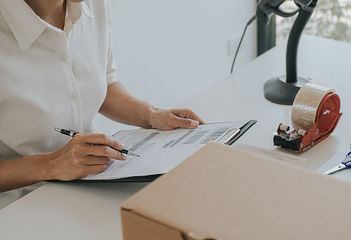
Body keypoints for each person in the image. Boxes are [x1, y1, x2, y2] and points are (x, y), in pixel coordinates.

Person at [0, 0, 203, 208]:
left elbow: (101, 83)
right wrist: (53, 164)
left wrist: (151, 115)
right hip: (18, 206)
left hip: (88, 184)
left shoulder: (93, 5)